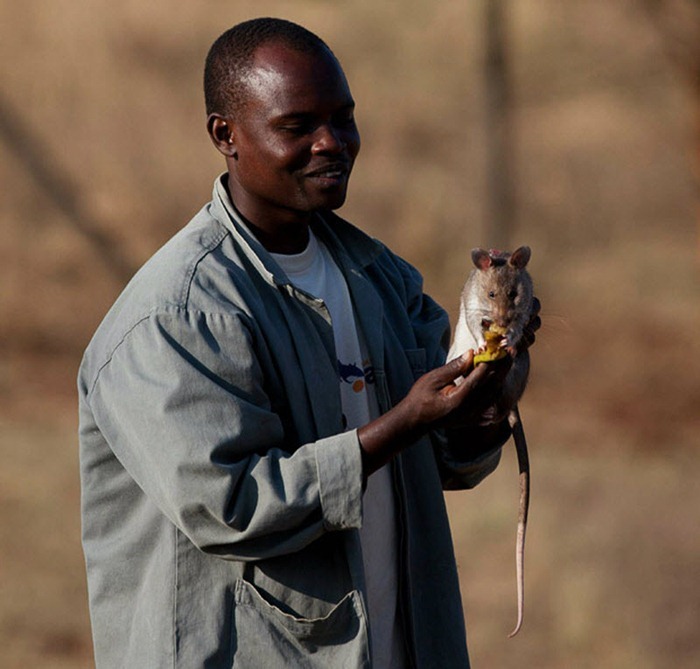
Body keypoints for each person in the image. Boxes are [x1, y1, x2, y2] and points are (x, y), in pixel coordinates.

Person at [78, 17, 539, 669]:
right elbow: (234, 508)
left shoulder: (382, 279)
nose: (333, 143)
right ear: (225, 135)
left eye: (344, 119)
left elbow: (443, 459)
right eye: (297, 127)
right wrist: (403, 421)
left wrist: (489, 397)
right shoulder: (175, 314)